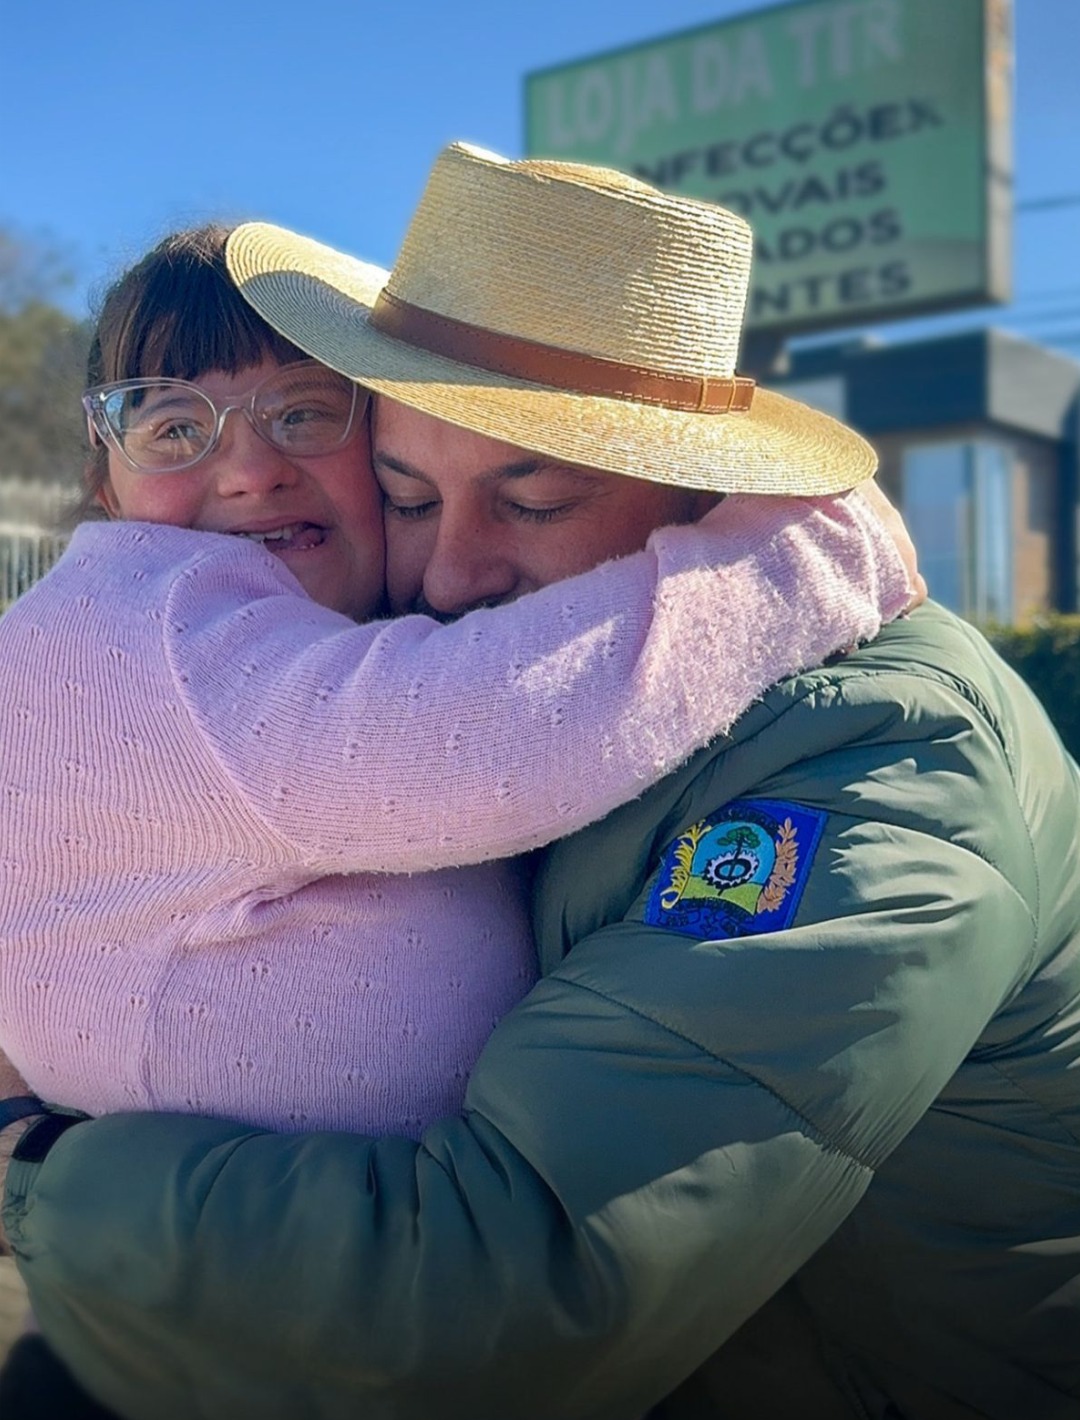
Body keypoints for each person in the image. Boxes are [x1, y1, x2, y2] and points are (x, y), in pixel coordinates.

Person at [4, 141, 1077, 1420]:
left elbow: (506, 1302)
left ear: (713, 507)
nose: (452, 578)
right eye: (407, 495)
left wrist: (40, 1168)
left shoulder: (879, 759)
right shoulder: (451, 671)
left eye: (537, 499)